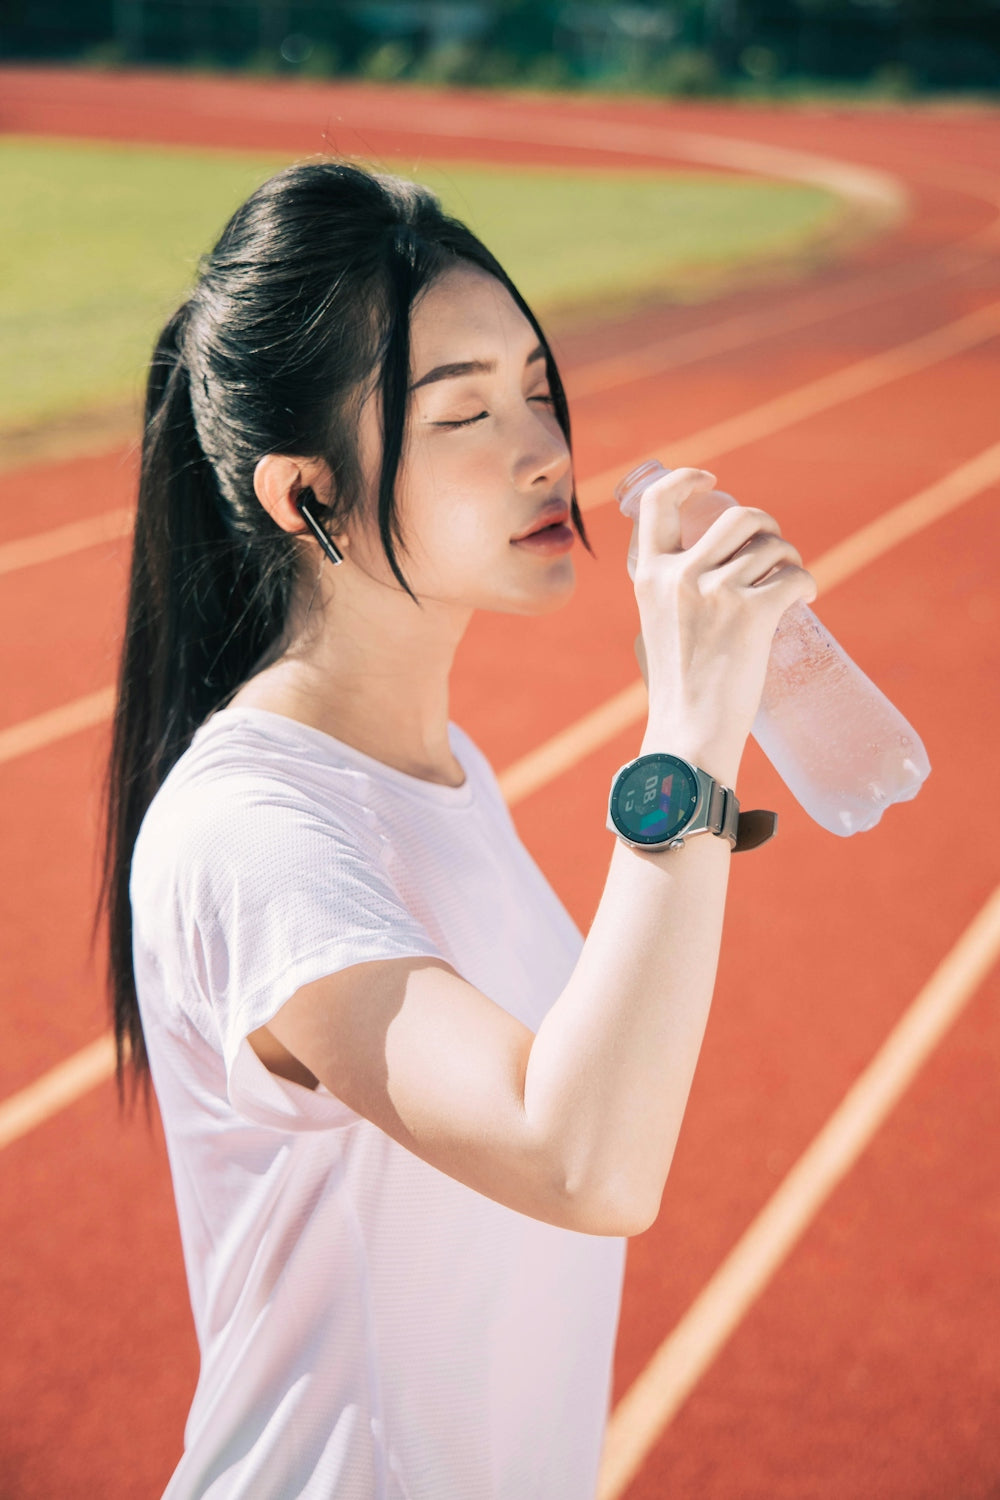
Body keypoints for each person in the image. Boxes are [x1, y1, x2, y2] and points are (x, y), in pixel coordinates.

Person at [102, 159, 815, 1500]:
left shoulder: (442, 771)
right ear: (302, 493)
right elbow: (580, 1162)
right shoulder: (251, 831)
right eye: (466, 412)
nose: (546, 447)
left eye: (539, 386)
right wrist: (692, 738)